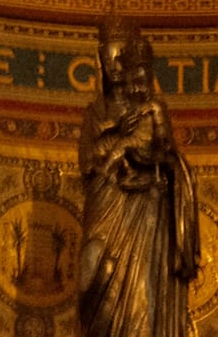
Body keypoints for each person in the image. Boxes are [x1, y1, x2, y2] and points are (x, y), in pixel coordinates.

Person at [78, 18, 199, 337]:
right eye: (107, 54)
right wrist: (116, 134)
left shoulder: (154, 109)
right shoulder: (95, 112)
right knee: (94, 272)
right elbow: (88, 166)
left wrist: (155, 165)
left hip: (146, 213)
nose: (114, 61)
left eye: (119, 53)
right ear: (100, 58)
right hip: (106, 207)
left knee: (142, 296)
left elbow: (167, 154)